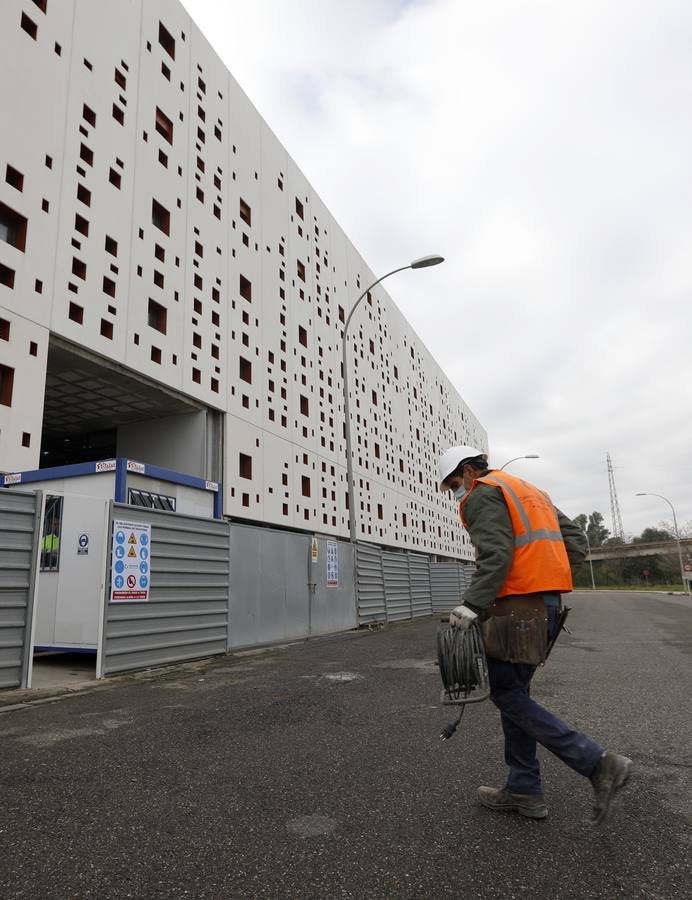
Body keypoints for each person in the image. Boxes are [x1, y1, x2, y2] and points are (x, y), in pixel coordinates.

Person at [437, 445, 632, 824]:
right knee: (515, 693)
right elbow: (576, 540)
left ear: (468, 473)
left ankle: (597, 762)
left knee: (507, 692)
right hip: (546, 605)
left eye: (454, 483)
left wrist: (472, 605)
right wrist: (548, 577)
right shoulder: (529, 491)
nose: (455, 492)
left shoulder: (482, 494)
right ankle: (525, 788)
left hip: (515, 608)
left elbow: (496, 554)